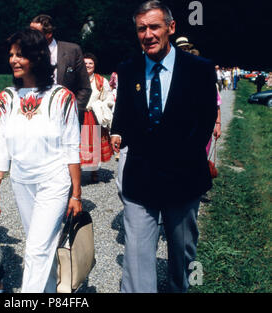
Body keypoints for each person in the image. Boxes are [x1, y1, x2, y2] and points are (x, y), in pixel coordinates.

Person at [110, 1, 217, 292]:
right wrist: (118, 133)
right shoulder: (128, 69)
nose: (148, 34)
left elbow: (205, 121)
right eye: (141, 29)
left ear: (170, 27)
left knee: (183, 253)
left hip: (183, 178)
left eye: (154, 27)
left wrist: (178, 159)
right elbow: (122, 115)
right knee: (136, 256)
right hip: (140, 178)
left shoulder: (200, 69)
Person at [0, 28, 82, 293]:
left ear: (38, 57)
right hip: (21, 182)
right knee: (40, 247)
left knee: (36, 249)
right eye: (11, 55)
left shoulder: (61, 97)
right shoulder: (6, 98)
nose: (14, 60)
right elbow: (2, 145)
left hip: (53, 182)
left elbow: (71, 146)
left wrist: (76, 193)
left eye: (21, 54)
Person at [30, 14, 91, 125]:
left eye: (35, 33)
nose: (30, 36)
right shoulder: (27, 53)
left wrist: (72, 111)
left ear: (48, 34)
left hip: (66, 118)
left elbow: (84, 88)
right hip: (36, 116)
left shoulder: (72, 51)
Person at [81, 53, 114, 183]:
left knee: (94, 142)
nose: (87, 65)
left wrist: (100, 106)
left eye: (90, 63)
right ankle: (76, 171)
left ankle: (94, 172)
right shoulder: (76, 79)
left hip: (94, 115)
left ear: (94, 65)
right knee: (77, 143)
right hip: (79, 114)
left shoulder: (101, 80)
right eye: (85, 63)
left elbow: (109, 98)